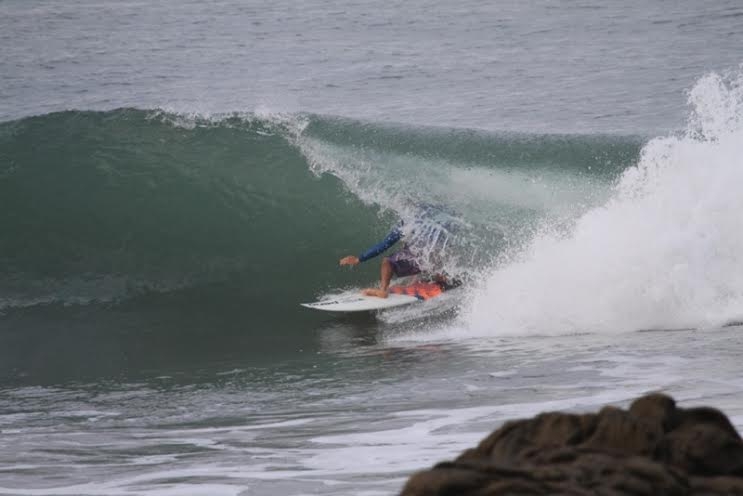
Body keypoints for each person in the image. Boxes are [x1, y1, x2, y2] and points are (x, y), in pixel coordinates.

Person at [339, 223, 419, 298]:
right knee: (411, 249)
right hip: (429, 261)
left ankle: (383, 291)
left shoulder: (407, 223)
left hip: (421, 259)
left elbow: (384, 245)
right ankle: (426, 276)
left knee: (387, 261)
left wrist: (359, 259)